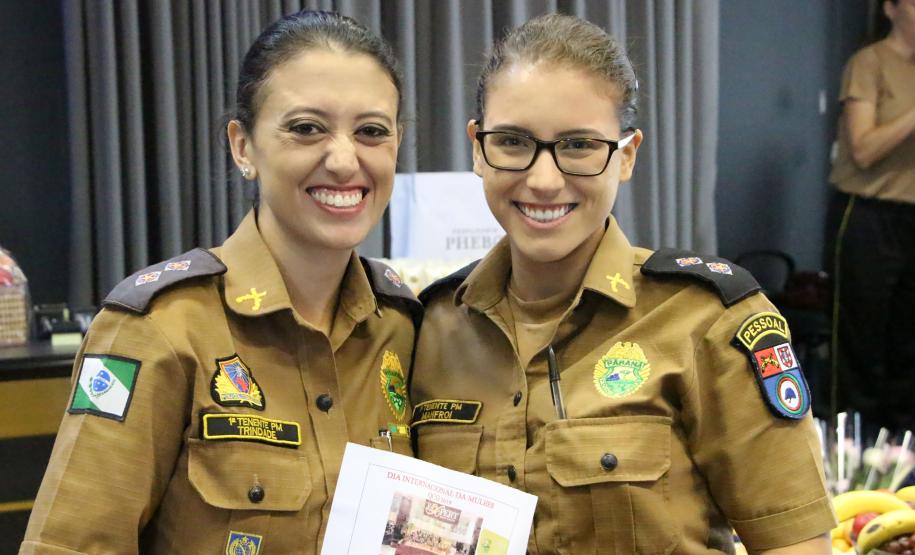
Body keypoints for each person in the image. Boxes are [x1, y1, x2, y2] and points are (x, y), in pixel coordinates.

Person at [411, 14, 835, 555]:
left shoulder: (708, 319)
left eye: (580, 145)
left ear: (627, 154)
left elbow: (794, 545)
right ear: (477, 147)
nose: (543, 179)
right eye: (513, 142)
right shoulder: (433, 327)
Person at [21, 10, 418, 554]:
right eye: (306, 128)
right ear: (242, 146)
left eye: (372, 131)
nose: (345, 159)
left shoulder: (403, 325)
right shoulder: (158, 329)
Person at [827, 0, 915, 433]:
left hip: (912, 218)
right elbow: (863, 151)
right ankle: (851, 454)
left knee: (908, 344)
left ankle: (900, 457)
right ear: (891, 8)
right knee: (860, 343)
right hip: (866, 215)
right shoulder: (870, 61)